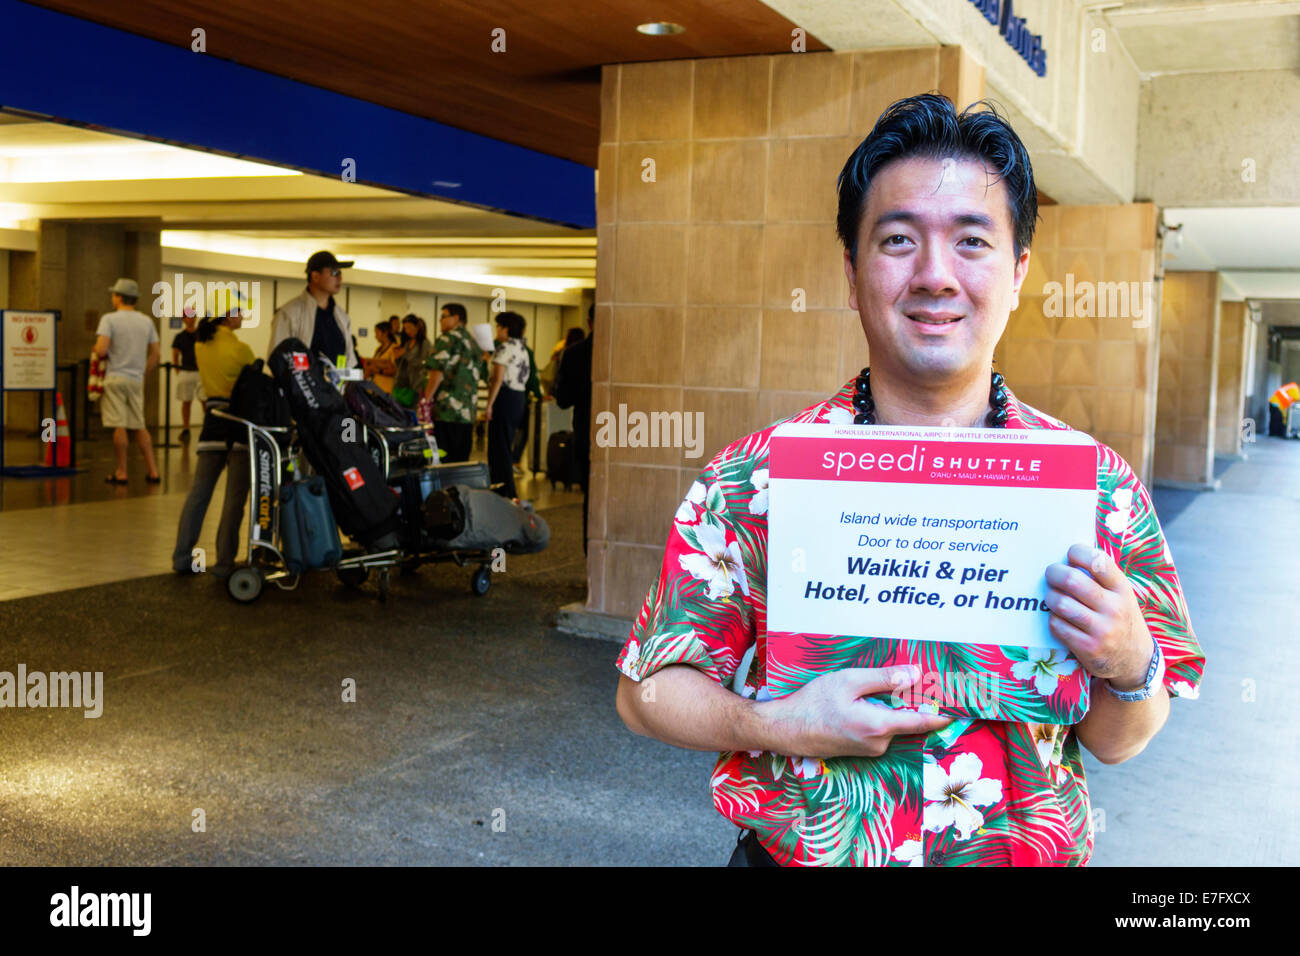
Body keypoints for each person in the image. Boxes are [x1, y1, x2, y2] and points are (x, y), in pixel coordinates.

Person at [613, 95, 1205, 868]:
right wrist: (775, 724)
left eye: (971, 242)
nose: (934, 275)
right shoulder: (756, 479)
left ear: (1019, 273)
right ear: (852, 273)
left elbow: (1120, 742)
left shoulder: (1097, 491)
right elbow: (644, 694)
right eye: (898, 240)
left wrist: (1130, 660)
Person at [171, 307, 256, 579]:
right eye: (240, 312)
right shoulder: (241, 350)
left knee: (199, 494)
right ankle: (224, 563)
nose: (243, 317)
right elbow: (256, 383)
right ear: (228, 317)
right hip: (239, 426)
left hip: (212, 425)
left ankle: (182, 557)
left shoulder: (200, 345)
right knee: (234, 500)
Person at [94, 278, 161, 484]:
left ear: (119, 297)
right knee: (139, 424)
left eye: (114, 294)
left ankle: (122, 472)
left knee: (119, 425)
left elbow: (102, 349)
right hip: (135, 379)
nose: (112, 298)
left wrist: (96, 350)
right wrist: (142, 372)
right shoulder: (146, 321)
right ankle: (153, 471)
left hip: (115, 377)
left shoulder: (109, 319)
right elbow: (156, 353)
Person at [268, 250, 358, 369]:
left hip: (336, 386)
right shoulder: (290, 313)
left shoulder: (341, 316)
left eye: (340, 273)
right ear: (315, 276)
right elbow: (277, 359)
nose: (340, 278)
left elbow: (349, 360)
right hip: (302, 386)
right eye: (334, 273)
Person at [422, 302, 487, 462]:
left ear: (456, 318)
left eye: (444, 317)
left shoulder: (447, 338)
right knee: (461, 460)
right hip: (468, 413)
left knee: (444, 458)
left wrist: (426, 399)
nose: (440, 321)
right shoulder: (473, 342)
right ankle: (459, 488)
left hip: (447, 411)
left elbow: (437, 372)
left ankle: (445, 487)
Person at [554, 307, 593, 545]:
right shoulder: (629, 351)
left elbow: (563, 400)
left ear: (589, 322)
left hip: (586, 432)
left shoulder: (573, 354)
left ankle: (591, 556)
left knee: (590, 497)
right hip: (630, 432)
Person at [484, 311, 530, 498]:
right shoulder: (522, 348)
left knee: (498, 446)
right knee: (506, 443)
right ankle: (506, 488)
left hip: (504, 396)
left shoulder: (504, 348)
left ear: (506, 329)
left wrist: (489, 404)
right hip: (518, 398)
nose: (496, 330)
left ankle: (504, 489)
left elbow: (497, 379)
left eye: (498, 327)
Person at [171, 313, 203, 442]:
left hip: (200, 371)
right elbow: (175, 355)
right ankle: (186, 427)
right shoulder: (179, 337)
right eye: (188, 317)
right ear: (184, 319)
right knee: (186, 401)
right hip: (186, 371)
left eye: (193, 316)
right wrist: (177, 370)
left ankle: (206, 426)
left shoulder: (201, 335)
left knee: (205, 401)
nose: (191, 319)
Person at [392, 314, 431, 408]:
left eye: (409, 327)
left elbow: (423, 363)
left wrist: (405, 355)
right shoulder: (408, 343)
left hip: (416, 385)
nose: (407, 331)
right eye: (405, 328)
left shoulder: (424, 344)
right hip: (401, 384)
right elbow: (401, 365)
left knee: (412, 412)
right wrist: (397, 357)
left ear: (417, 327)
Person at [363, 321, 400, 393]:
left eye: (377, 333)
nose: (375, 336)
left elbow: (395, 370)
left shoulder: (394, 349)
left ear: (385, 333)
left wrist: (378, 370)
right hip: (375, 389)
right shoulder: (378, 349)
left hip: (387, 391)